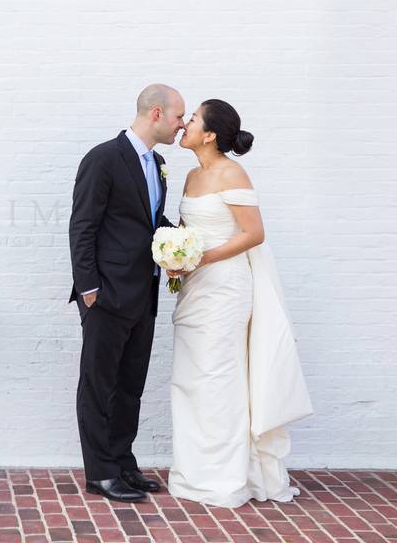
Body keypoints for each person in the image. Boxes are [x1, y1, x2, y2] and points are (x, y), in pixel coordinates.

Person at [167, 99, 313, 507]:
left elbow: (254, 233)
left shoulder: (232, 172)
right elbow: (185, 231)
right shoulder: (192, 177)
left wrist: (201, 258)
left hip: (226, 289)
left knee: (219, 379)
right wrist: (174, 257)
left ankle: (224, 477)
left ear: (210, 133)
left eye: (192, 119)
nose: (185, 124)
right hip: (195, 288)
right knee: (191, 379)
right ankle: (193, 472)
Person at [69, 83, 185, 502]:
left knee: (130, 385)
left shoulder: (158, 162)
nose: (181, 125)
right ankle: (100, 473)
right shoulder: (103, 158)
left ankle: (122, 463)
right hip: (106, 295)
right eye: (177, 117)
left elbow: (148, 222)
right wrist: (89, 290)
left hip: (144, 293)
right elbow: (82, 226)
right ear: (156, 113)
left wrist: (183, 241)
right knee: (99, 384)